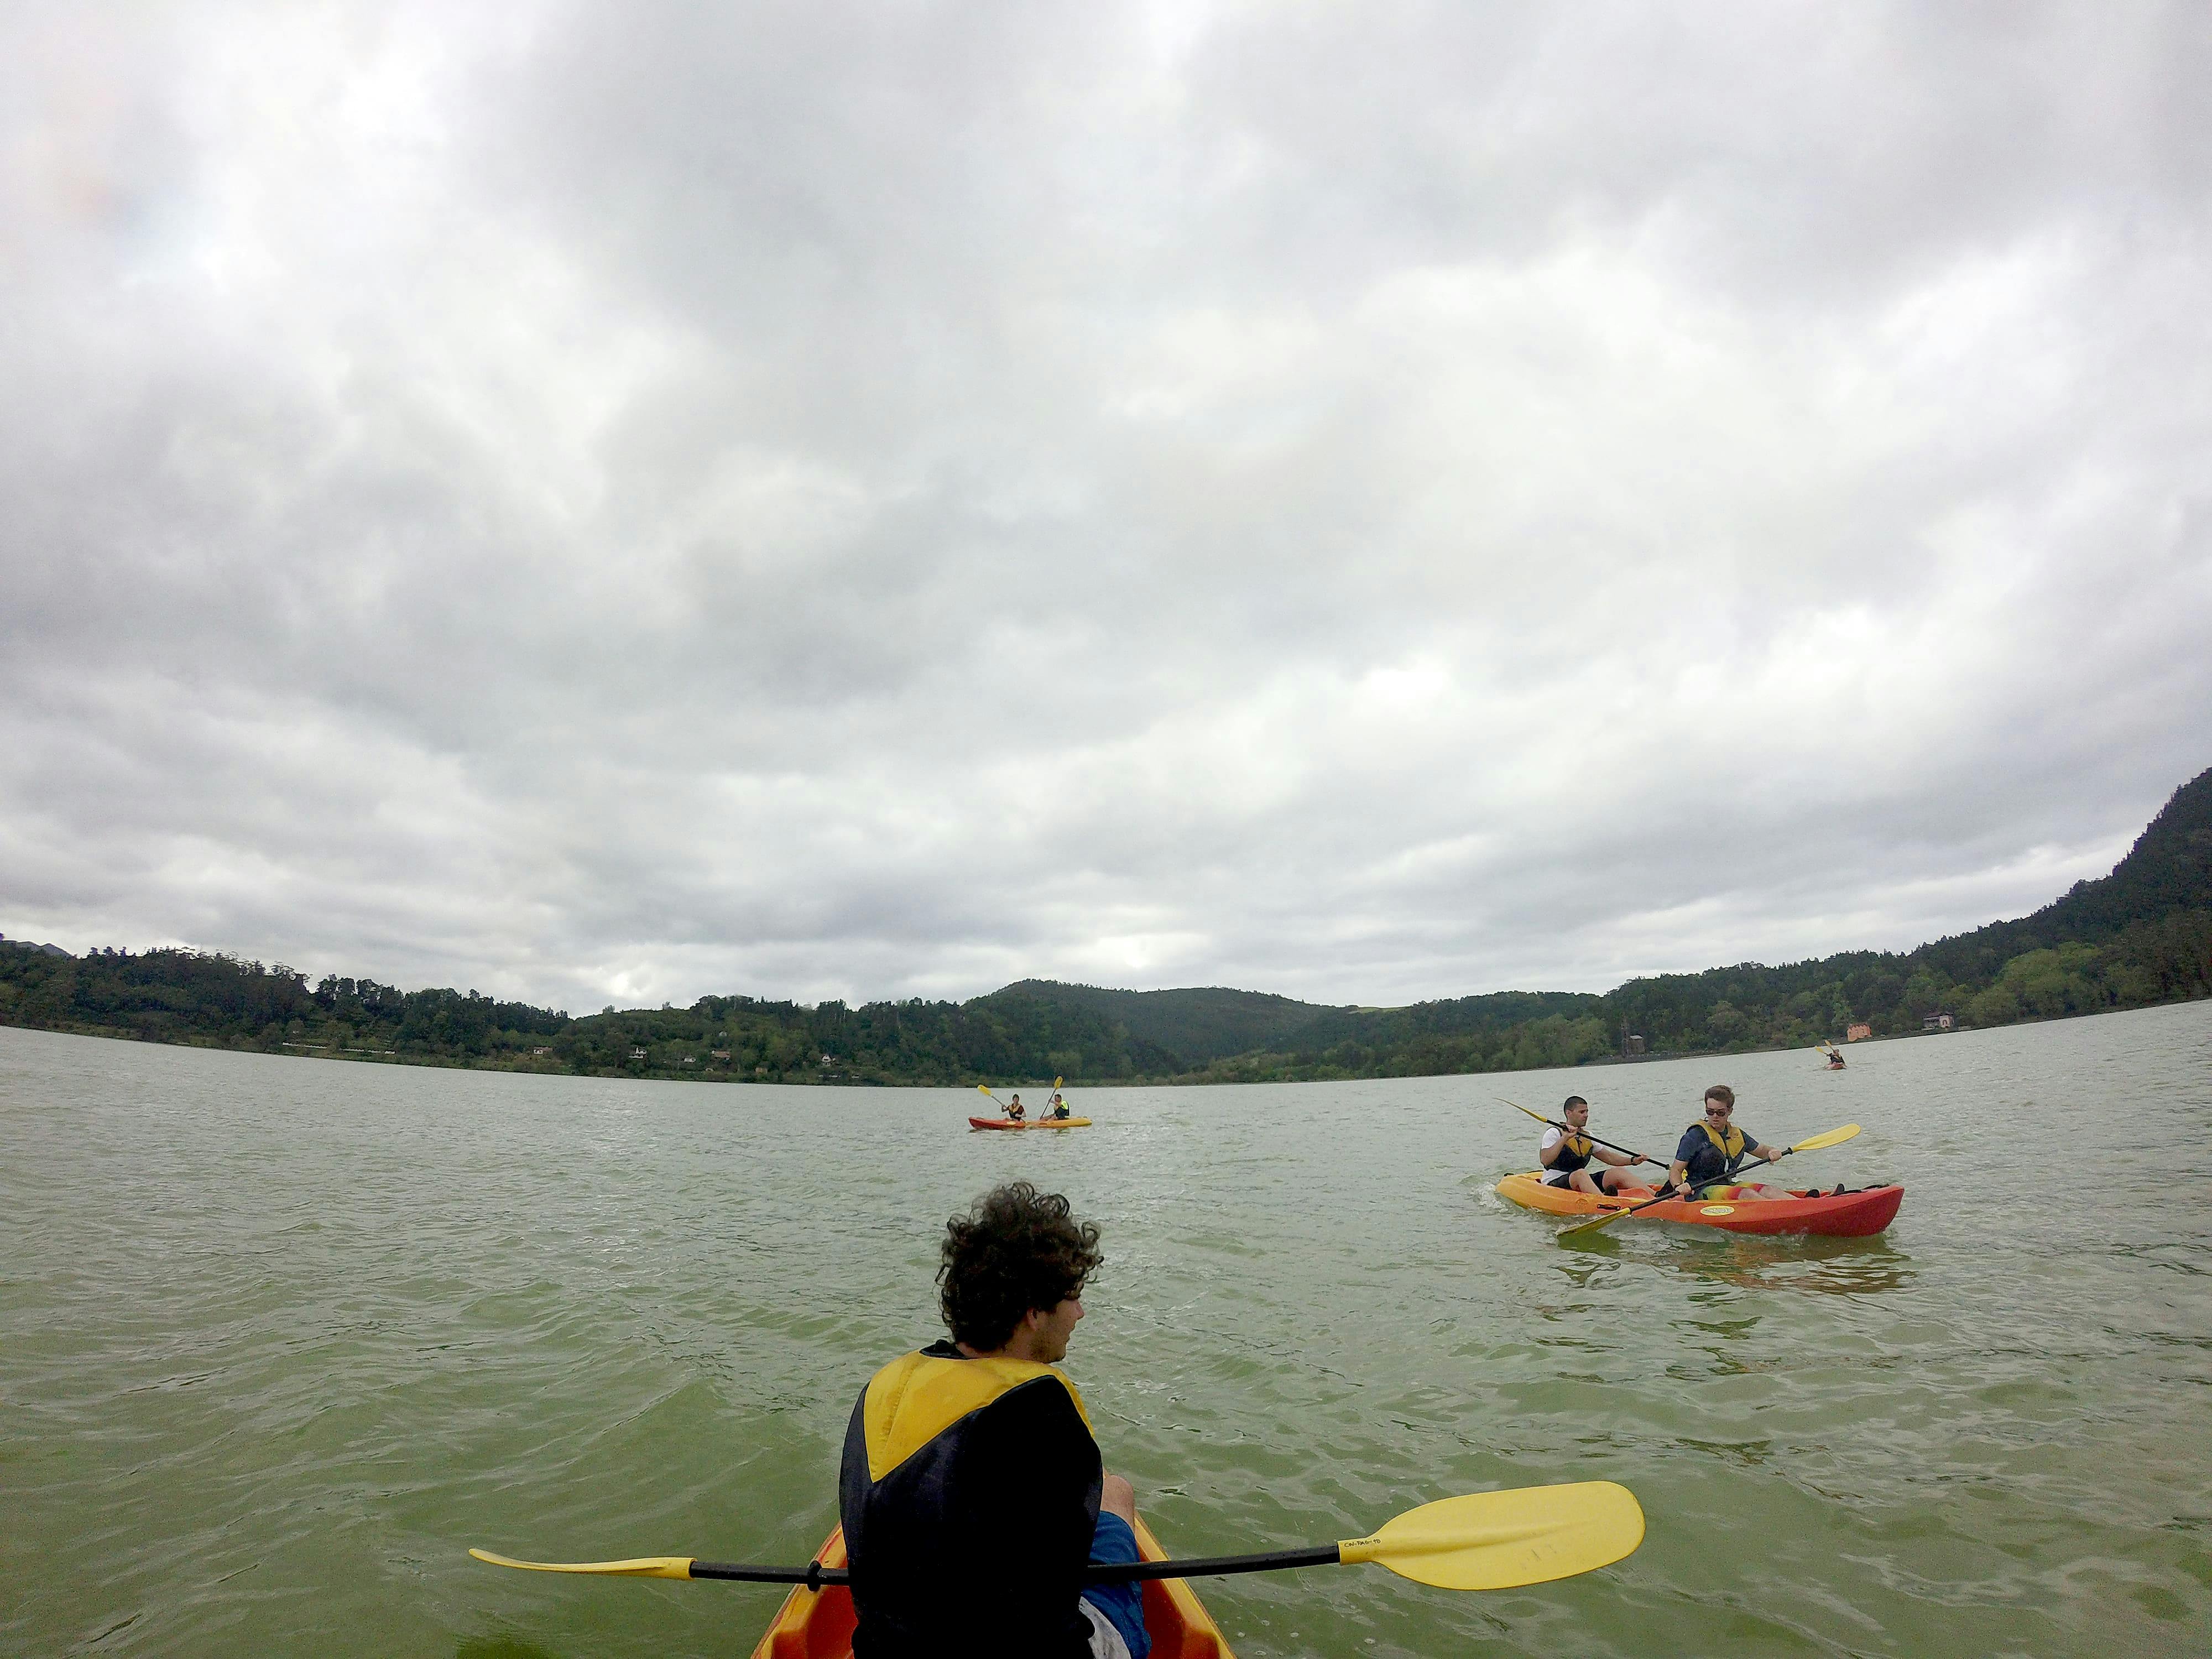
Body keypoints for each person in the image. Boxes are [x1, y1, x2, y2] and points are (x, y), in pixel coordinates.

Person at [838, 1182, 1150, 1659]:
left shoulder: (882, 1387)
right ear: (1033, 1314)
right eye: (1072, 1296)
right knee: (1117, 1493)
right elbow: (1055, 1598)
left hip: (884, 1648)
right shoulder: (1041, 1411)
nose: (1080, 1312)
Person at [1663, 1085, 1787, 1201]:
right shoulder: (1694, 1136)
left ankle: (1800, 1207)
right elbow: (1676, 1170)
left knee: (1770, 1190)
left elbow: (1762, 1151)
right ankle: (1781, 1215)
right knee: (1747, 1194)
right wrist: (1679, 1186)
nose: (1715, 1116)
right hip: (1698, 1190)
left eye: (1720, 1112)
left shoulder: (1736, 1134)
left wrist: (1772, 1152)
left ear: (1730, 1111)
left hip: (1728, 1184)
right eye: (1710, 1112)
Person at [1538, 1095, 1648, 1195]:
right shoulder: (1554, 1132)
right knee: (1581, 1174)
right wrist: (1565, 1138)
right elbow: (1545, 1160)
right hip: (1554, 1183)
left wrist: (1633, 1160)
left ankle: (1656, 1196)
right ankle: (1605, 1203)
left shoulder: (1588, 1136)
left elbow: (1609, 1158)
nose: (1586, 1115)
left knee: (1618, 1172)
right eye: (1582, 1112)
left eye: (1587, 1112)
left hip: (1580, 1180)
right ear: (1569, 1113)